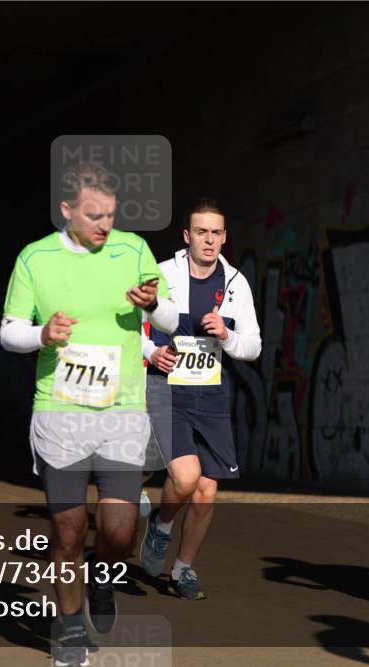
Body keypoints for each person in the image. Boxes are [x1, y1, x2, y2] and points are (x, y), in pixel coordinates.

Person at [0, 161, 177, 666]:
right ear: (67, 210)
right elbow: (9, 330)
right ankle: (71, 629)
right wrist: (41, 334)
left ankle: (103, 573)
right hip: (59, 411)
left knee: (119, 530)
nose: (104, 225)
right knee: (69, 531)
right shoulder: (35, 258)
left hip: (122, 412)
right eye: (94, 216)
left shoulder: (133, 250)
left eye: (111, 215)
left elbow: (169, 316)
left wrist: (152, 305)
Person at [139, 198, 262, 601]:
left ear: (225, 238)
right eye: (201, 232)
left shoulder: (236, 283)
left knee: (207, 491)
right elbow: (129, 326)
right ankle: (162, 524)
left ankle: (183, 569)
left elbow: (254, 346)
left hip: (212, 395)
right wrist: (150, 352)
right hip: (166, 390)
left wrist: (227, 336)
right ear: (187, 236)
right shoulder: (162, 274)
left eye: (216, 233)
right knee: (186, 477)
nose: (209, 240)